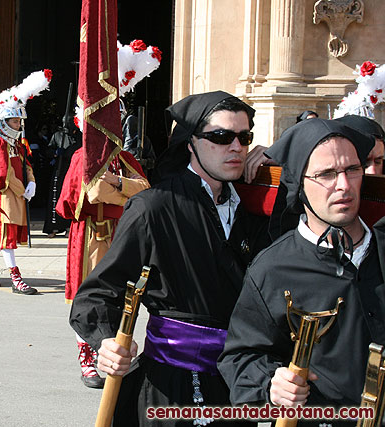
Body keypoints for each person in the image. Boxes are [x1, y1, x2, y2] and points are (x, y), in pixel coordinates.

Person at [69, 91, 271, 424]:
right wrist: (106, 341)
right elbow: (98, 293)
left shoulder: (255, 207)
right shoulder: (153, 207)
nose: (236, 146)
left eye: (244, 137)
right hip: (173, 385)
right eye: (221, 136)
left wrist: (279, 164)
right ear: (191, 143)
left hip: (239, 386)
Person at [218, 118, 385, 426]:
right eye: (326, 174)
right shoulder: (272, 269)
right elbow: (240, 358)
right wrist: (272, 382)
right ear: (300, 184)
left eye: (352, 170)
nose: (344, 186)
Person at [58, 146, 149, 389]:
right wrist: (125, 190)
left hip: (121, 231)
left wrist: (116, 180)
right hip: (92, 235)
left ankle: (111, 355)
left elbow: (145, 189)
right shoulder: (83, 156)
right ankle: (86, 357)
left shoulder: (124, 158)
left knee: (120, 296)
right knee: (88, 296)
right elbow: (92, 193)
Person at [0, 106, 38, 295]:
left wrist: (31, 182)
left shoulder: (16, 144)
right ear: (4, 123)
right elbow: (3, 173)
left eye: (18, 121)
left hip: (16, 194)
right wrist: (23, 191)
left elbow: (25, 165)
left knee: (3, 237)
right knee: (7, 237)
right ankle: (15, 277)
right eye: (15, 121)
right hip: (4, 195)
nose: (18, 124)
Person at [42, 118, 81, 238]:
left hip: (73, 169)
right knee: (55, 196)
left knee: (70, 196)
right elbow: (48, 149)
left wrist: (68, 152)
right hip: (59, 169)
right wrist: (55, 153)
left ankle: (69, 226)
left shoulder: (79, 136)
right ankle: (53, 226)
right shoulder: (58, 135)